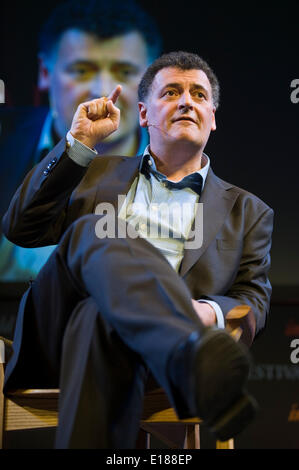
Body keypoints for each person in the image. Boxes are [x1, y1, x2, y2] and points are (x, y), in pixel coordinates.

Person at [2, 51, 273, 448]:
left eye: (198, 94)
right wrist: (77, 143)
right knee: (96, 228)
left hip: (142, 357)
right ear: (143, 114)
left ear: (213, 118)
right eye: (172, 92)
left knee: (98, 319)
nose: (186, 101)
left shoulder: (249, 211)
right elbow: (21, 228)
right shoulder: (93, 172)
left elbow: (254, 296)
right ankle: (187, 351)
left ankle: (179, 343)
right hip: (56, 337)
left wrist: (207, 312)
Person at [0, 0, 161, 338]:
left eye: (124, 72)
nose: (102, 89)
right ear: (45, 73)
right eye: (81, 70)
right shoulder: (5, 143)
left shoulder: (180, 163)